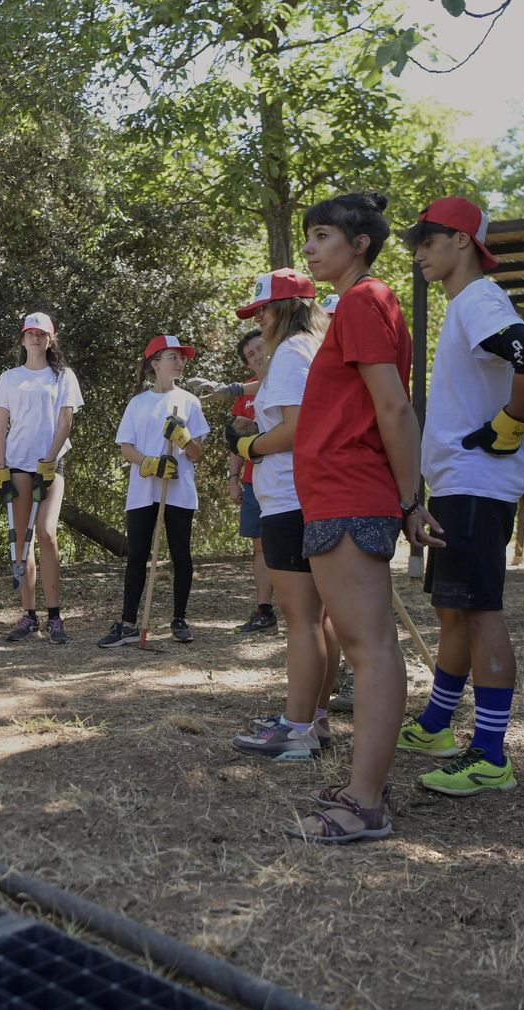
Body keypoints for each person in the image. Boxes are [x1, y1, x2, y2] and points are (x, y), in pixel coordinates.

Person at [289, 192, 438, 842]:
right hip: (337, 494)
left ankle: (365, 804)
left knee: (370, 651)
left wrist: (411, 501)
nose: (312, 248)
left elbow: (395, 408)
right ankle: (361, 787)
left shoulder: (363, 300)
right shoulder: (354, 305)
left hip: (353, 493)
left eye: (323, 235)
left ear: (359, 244)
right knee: (366, 646)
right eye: (310, 236)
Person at [399, 196, 524, 798]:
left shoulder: (481, 300)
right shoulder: (467, 305)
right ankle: (439, 725)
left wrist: (508, 426)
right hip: (459, 482)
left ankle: (490, 754)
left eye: (429, 239)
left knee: (481, 610)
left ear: (462, 240)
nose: (419, 252)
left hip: (476, 483)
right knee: (454, 608)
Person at [223, 272, 335, 761]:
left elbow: (293, 431)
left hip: (290, 497)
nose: (259, 321)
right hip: (306, 493)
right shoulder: (314, 348)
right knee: (320, 617)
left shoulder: (290, 354)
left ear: (285, 309)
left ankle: (297, 729)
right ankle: (316, 717)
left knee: (302, 620)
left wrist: (248, 443)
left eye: (263, 311)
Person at [97, 335, 209, 648]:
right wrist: (149, 463)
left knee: (181, 555)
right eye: (172, 356)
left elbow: (198, 452)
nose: (180, 361)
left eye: (182, 357)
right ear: (154, 364)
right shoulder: (138, 403)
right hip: (143, 492)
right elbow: (125, 447)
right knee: (137, 556)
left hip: (179, 491)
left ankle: (180, 619)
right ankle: (129, 623)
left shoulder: (189, 401)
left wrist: (184, 439)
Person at [0, 312, 84, 644]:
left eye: (41, 333)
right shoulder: (9, 378)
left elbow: (65, 421)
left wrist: (49, 458)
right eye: (30, 332)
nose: (35, 337)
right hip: (17, 465)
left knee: (46, 532)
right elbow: (0, 425)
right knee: (21, 540)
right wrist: (1, 467)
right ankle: (28, 615)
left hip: (50, 465)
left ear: (50, 339)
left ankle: (55, 616)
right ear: (22, 338)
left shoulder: (63, 377)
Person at [228, 329, 277, 635]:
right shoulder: (245, 396)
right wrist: (233, 478)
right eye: (251, 355)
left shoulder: (291, 380)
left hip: (289, 478)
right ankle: (264, 609)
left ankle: (307, 609)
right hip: (252, 481)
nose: (257, 356)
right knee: (260, 546)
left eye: (260, 348)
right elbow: (234, 442)